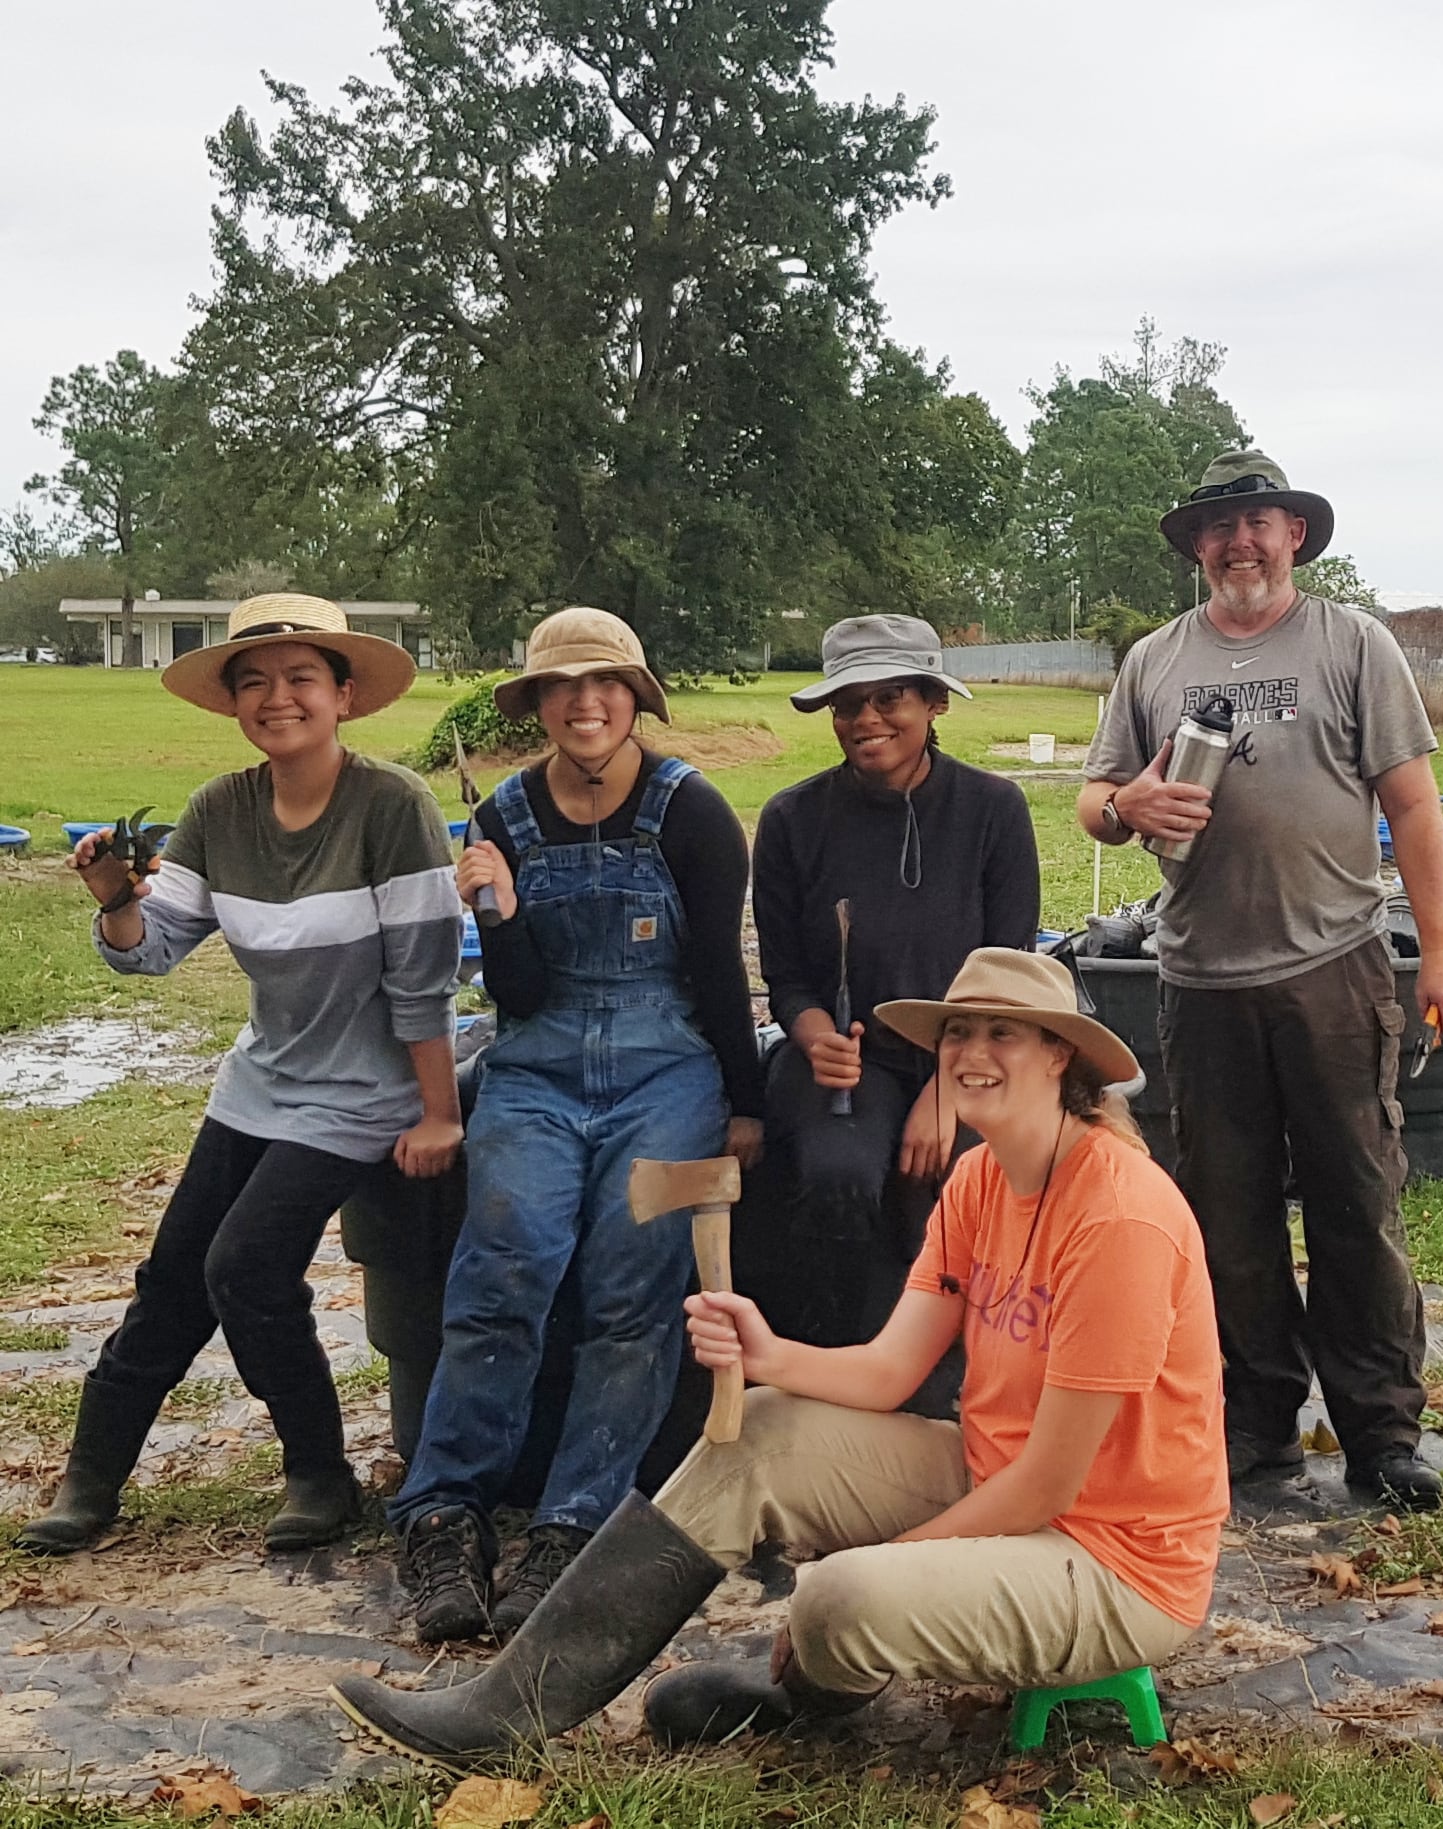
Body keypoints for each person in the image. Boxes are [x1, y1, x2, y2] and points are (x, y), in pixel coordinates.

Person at [330, 948, 1225, 1763]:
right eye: (958, 1030)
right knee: (756, 1430)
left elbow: (1047, 1489)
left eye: (1003, 1033)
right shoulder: (980, 1178)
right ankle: (511, 1703)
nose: (970, 1051)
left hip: (1116, 1564)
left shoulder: (1119, 1219)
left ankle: (806, 1695)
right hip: (993, 1477)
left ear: (1060, 1055)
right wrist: (767, 1352)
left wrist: (892, 1560)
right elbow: (887, 1371)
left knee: (839, 1598)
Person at [21, 594, 463, 1557]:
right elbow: (154, 947)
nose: (277, 698)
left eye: (301, 677)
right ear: (233, 706)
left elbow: (424, 978)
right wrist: (113, 903)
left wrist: (439, 1114)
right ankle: (90, 1478)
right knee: (174, 1272)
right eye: (253, 682)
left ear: (343, 694)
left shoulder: (392, 806)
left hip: (365, 1090)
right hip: (263, 1079)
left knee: (246, 1266)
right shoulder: (220, 809)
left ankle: (319, 1472)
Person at [1076, 449, 1443, 1511]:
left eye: (1258, 521)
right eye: (1219, 527)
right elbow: (1095, 794)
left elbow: (1415, 807)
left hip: (1332, 967)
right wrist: (1128, 810)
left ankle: (1381, 1434)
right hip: (1199, 978)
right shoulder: (1155, 659)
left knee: (1354, 1198)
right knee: (1225, 1213)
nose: (1239, 541)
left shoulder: (1351, 642)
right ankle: (1253, 1427)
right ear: (1197, 547)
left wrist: (1438, 950)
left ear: (1293, 533)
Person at [387, 606, 763, 1646]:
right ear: (538, 704)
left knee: (632, 1279)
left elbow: (716, 974)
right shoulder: (501, 813)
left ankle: (572, 1520)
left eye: (605, 683)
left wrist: (743, 1103)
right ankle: (443, 1513)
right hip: (538, 1068)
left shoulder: (691, 811)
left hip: (667, 1072)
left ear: (636, 695)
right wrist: (496, 911)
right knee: (506, 1257)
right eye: (562, 686)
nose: (584, 702)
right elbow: (516, 995)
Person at [752, 614, 1040, 1342]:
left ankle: (964, 1374)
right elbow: (785, 975)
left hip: (977, 1053)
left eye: (891, 698)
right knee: (839, 1172)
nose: (866, 719)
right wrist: (816, 1036)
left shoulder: (992, 810)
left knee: (969, 1174)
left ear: (933, 703)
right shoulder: (791, 819)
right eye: (848, 704)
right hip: (854, 1057)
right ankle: (839, 1355)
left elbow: (1010, 966)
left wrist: (949, 1088)